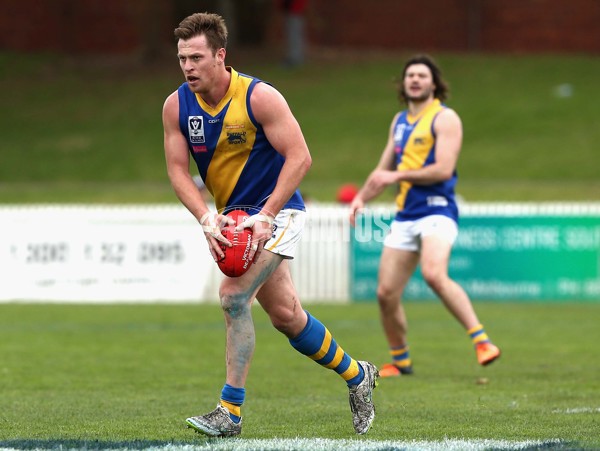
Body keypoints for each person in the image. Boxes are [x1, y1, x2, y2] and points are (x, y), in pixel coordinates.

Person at [162, 12, 378, 437]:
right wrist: (207, 217)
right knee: (286, 316)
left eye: (196, 57)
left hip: (278, 211)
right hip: (230, 218)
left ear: (220, 55)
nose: (188, 66)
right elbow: (176, 172)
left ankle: (230, 412)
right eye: (182, 57)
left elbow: (300, 157)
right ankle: (358, 374)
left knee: (232, 297)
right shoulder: (176, 106)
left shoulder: (259, 97)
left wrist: (266, 216)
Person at [349, 54, 501, 378]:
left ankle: (481, 340)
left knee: (434, 273)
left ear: (434, 83)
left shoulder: (445, 119)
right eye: (410, 75)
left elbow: (443, 168)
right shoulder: (399, 122)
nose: (415, 79)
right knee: (385, 294)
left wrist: (396, 176)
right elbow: (382, 169)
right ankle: (401, 361)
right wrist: (361, 197)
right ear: (403, 84)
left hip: (437, 208)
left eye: (422, 75)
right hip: (406, 215)